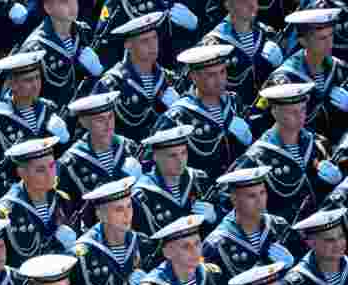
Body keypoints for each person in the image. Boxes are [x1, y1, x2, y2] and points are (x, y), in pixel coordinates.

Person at [232, 82, 342, 226]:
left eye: (303, 110)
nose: (300, 116)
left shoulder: (317, 143)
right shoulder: (257, 158)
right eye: (292, 112)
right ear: (275, 112)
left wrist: (337, 180)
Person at [152, 45, 253, 182]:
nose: (219, 80)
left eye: (222, 72)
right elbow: (159, 164)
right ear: (194, 77)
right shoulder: (178, 117)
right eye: (211, 75)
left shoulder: (234, 102)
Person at [0, 51, 70, 193]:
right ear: (12, 84)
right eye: (28, 80)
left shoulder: (48, 109)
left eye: (37, 78)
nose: (35, 85)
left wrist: (65, 139)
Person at [256, 9, 348, 145]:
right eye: (322, 38)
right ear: (303, 41)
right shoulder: (284, 80)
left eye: (331, 35)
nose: (329, 43)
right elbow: (261, 120)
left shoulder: (339, 68)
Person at [0, 138, 76, 270]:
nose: (49, 174)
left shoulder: (62, 201)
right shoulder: (3, 213)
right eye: (40, 170)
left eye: (52, 166)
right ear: (22, 173)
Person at [56, 91, 142, 223]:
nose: (108, 124)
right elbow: (65, 206)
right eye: (100, 119)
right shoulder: (71, 162)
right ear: (84, 123)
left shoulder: (128, 147)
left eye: (110, 117)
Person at [92, 13, 179, 141]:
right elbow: (94, 127)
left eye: (154, 38)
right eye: (145, 41)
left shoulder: (168, 79)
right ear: (128, 45)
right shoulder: (113, 84)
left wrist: (178, 106)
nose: (152, 45)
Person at [67, 178, 147, 285]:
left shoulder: (142, 244)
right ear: (100, 214)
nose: (127, 215)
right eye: (119, 209)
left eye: (129, 206)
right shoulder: (82, 254)